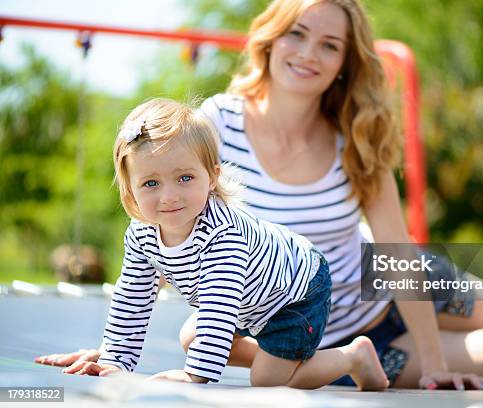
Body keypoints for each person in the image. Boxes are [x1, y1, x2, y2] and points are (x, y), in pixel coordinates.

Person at [37, 0, 483, 390]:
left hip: (394, 278)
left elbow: (395, 246)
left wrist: (438, 360)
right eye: (297, 34)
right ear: (271, 40)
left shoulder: (357, 131)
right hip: (334, 324)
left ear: (345, 61)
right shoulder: (217, 125)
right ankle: (323, 361)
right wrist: (114, 356)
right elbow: (166, 229)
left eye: (330, 44)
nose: (309, 53)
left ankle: (432, 340)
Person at [53, 97, 389, 390]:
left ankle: (352, 357)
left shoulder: (221, 235)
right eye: (151, 183)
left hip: (296, 293)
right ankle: (276, 354)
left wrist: (195, 375)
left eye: (185, 178)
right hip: (250, 299)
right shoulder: (141, 234)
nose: (169, 196)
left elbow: (218, 305)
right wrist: (115, 360)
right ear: (131, 191)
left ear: (212, 176)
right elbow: (133, 296)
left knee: (267, 381)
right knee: (191, 339)